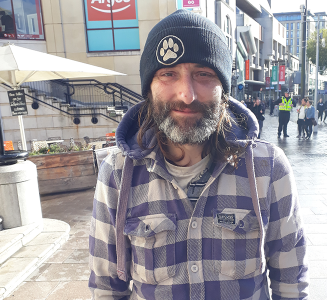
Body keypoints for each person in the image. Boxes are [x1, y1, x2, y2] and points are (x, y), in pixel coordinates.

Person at [88, 10, 309, 300]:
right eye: (168, 74)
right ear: (149, 88)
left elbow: (290, 283)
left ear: (223, 89)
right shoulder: (117, 173)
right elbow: (106, 289)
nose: (187, 94)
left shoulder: (268, 168)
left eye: (203, 75)